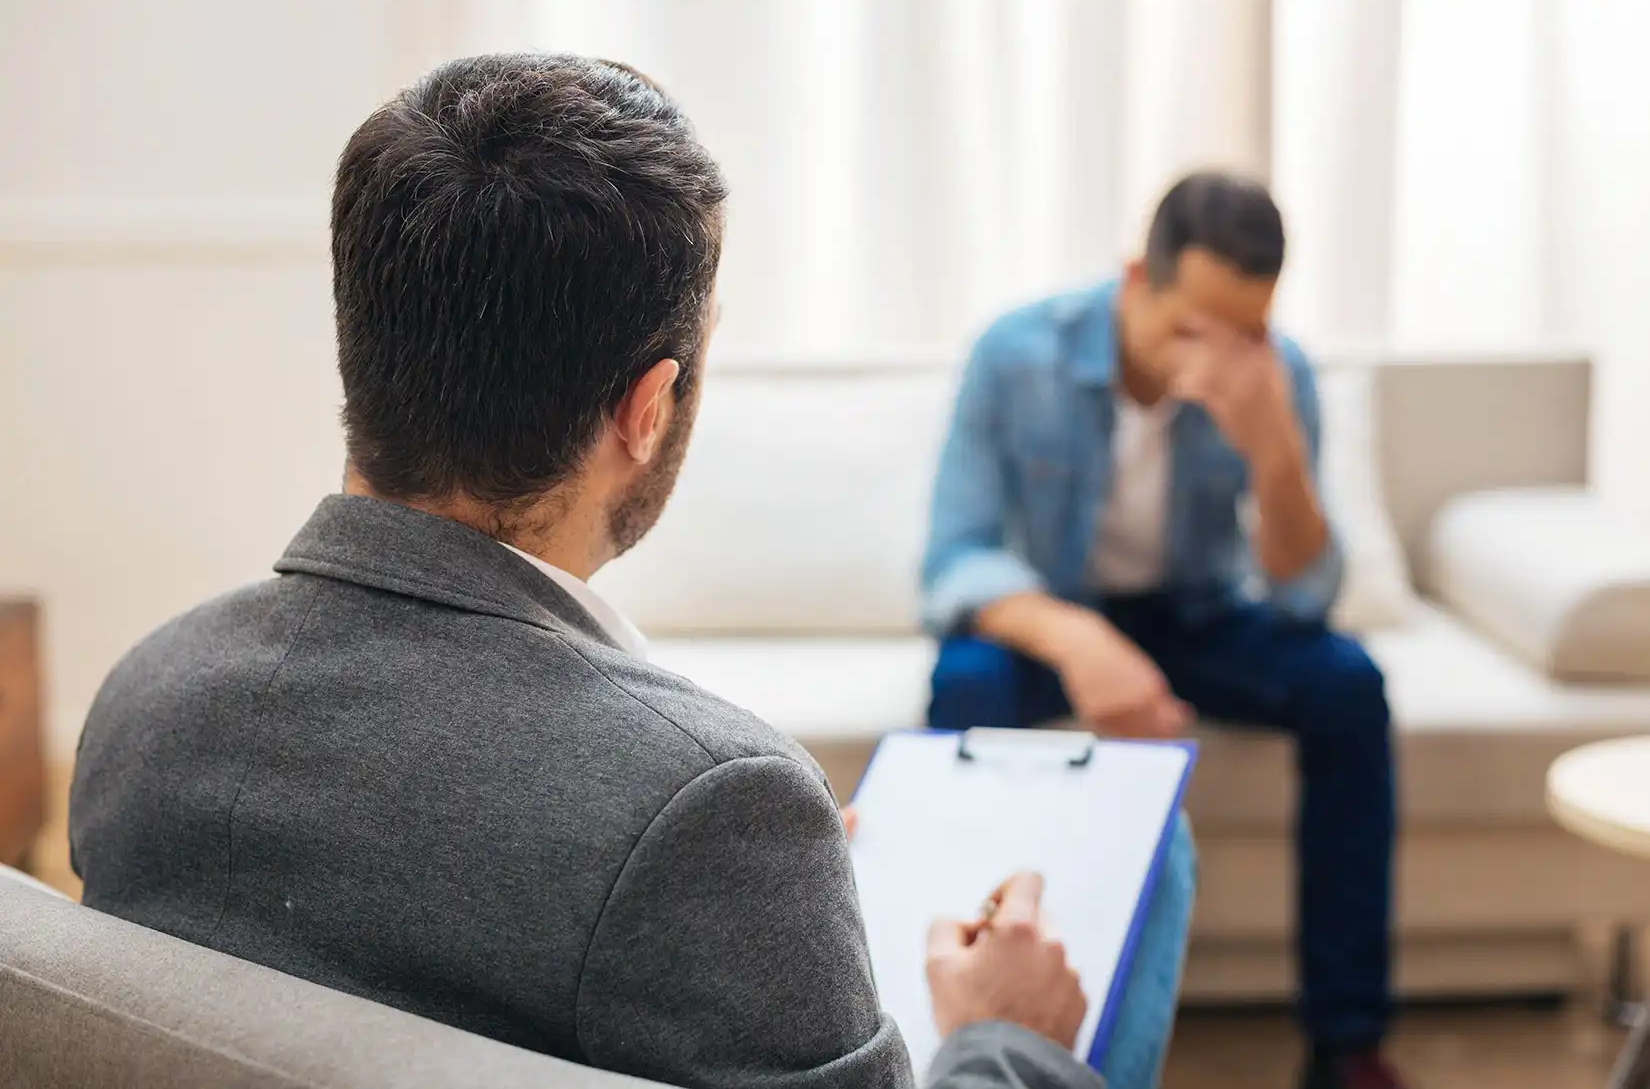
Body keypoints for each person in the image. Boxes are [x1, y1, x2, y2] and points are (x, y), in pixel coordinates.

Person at [69, 54, 1184, 1089]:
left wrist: (761, 900)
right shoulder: (715, 806)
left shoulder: (142, 698)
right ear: (647, 409)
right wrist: (1007, 1037)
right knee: (1151, 866)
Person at [921, 171, 1403, 1089]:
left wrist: (1273, 448)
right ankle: (947, 1003)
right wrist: (1081, 643)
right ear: (1139, 276)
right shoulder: (1016, 353)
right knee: (966, 684)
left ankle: (1348, 1042)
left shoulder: (1278, 374)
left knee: (1348, 685)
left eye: (1246, 333)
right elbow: (956, 559)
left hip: (1196, 615)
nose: (1214, 357)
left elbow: (1305, 600)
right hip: (1054, 613)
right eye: (1191, 328)